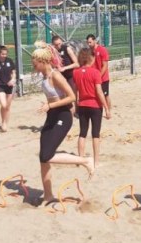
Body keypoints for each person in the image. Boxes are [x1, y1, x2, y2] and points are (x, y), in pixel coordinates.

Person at [32, 43, 94, 205]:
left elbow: (72, 97)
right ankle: (48, 195)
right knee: (42, 158)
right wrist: (48, 106)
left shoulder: (55, 76)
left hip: (63, 116)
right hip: (52, 115)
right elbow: (53, 97)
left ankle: (85, 161)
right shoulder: (45, 77)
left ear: (43, 61)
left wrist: (50, 105)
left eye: (34, 61)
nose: (32, 64)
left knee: (48, 155)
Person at [73, 48, 111, 169]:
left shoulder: (76, 72)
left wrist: (75, 105)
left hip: (82, 105)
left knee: (82, 133)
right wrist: (106, 108)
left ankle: (81, 159)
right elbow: (99, 93)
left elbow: (75, 92)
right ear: (91, 58)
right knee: (95, 134)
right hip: (94, 105)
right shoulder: (95, 72)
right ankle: (96, 162)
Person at [52, 35, 79, 113]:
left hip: (70, 75)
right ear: (53, 44)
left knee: (73, 94)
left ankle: (77, 111)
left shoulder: (67, 49)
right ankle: (67, 111)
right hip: (61, 77)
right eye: (56, 45)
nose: (58, 46)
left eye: (60, 43)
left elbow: (77, 64)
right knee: (62, 94)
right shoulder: (53, 52)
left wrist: (65, 68)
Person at [86, 34, 111, 110]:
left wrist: (99, 76)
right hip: (94, 78)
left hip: (103, 78)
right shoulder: (89, 51)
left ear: (94, 41)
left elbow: (105, 66)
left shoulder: (102, 50)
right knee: (96, 95)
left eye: (90, 42)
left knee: (105, 94)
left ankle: (108, 110)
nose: (89, 44)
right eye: (88, 43)